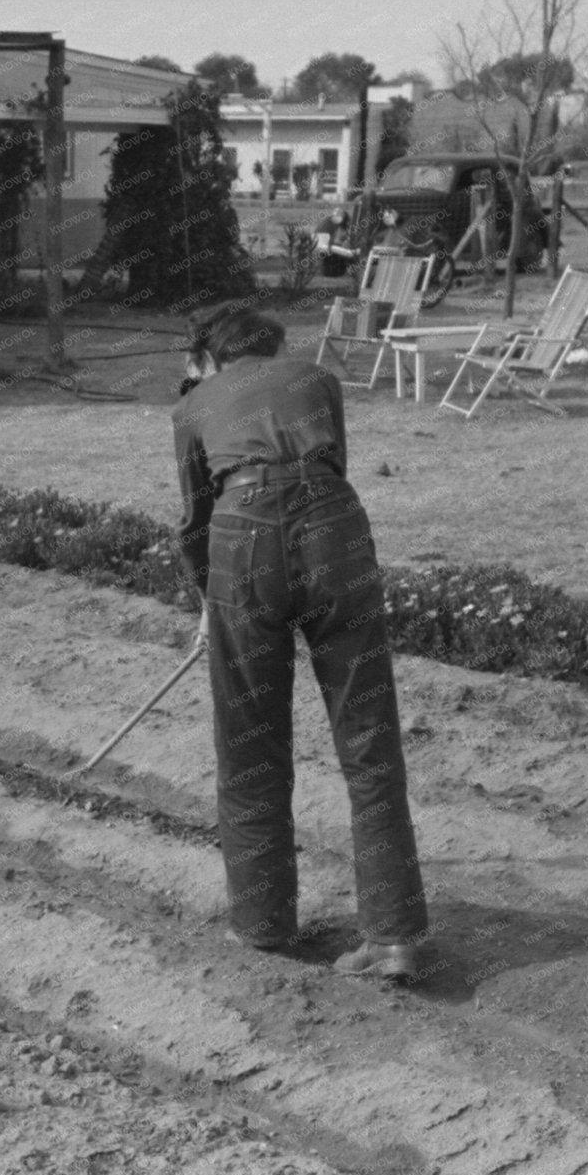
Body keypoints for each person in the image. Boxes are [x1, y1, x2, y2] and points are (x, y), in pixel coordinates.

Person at [172, 303, 430, 980]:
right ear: (272, 346)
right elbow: (330, 464)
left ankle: (263, 924)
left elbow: (195, 521)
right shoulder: (318, 380)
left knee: (251, 740)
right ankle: (394, 934)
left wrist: (211, 603)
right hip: (337, 532)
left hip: (242, 541)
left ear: (207, 358)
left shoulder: (194, 404)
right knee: (368, 736)